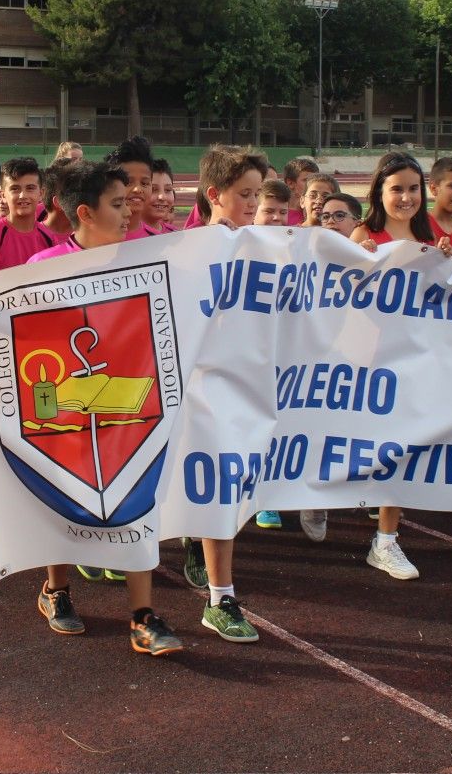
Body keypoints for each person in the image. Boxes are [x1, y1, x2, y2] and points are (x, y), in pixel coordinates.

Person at [0, 160, 184, 655]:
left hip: (129, 413)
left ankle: (143, 616)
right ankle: (56, 589)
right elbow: (11, 327)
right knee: (60, 497)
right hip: (67, 412)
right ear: (85, 212)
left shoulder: (144, 261)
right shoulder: (45, 267)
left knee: (137, 503)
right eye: (118, 204)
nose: (130, 211)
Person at [350, 152, 452, 580]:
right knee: (355, 446)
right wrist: (355, 260)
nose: (406, 197)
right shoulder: (365, 234)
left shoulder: (431, 237)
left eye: (413, 189)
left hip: (414, 361)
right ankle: (314, 503)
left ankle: (385, 540)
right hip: (365, 362)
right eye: (396, 189)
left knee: (398, 449)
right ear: (379, 192)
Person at [184, 144, 270, 644]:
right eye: (244, 194)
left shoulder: (264, 246)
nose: (253, 204)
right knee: (218, 490)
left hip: (249, 386)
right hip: (201, 390)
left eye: (257, 194)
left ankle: (217, 591)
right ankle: (220, 598)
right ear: (215, 194)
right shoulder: (190, 249)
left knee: (228, 491)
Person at [251, 176, 293, 531]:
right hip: (249, 352)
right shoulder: (235, 244)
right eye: (269, 211)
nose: (277, 218)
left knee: (279, 424)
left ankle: (268, 498)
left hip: (286, 351)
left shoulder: (298, 248)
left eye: (282, 212)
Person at [0, 157, 57, 271]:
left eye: (30, 188)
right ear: (3, 195)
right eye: (15, 189)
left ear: (41, 194)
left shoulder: (49, 237)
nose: (23, 195)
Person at [104, 136, 156, 239]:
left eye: (144, 183)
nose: (137, 189)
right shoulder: (93, 240)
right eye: (128, 182)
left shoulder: (157, 240)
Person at [282, 156, 320, 226]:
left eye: (315, 181)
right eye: (307, 180)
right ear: (290, 183)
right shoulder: (276, 212)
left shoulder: (320, 212)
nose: (313, 184)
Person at [145, 158, 178, 233]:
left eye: (168, 190)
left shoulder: (176, 234)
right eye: (153, 189)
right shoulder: (123, 236)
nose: (162, 197)